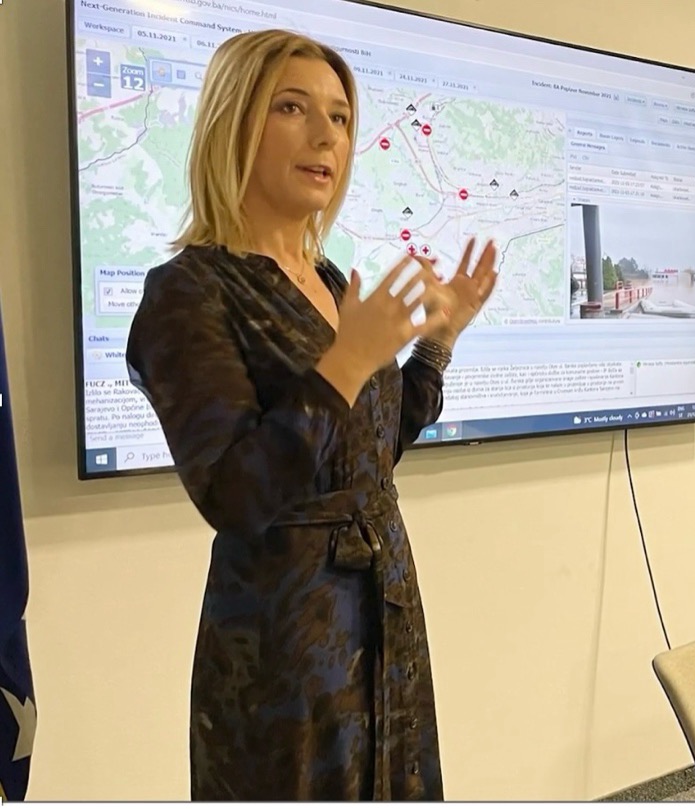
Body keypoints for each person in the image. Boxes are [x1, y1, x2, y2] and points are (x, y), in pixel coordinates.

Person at [124, 29, 497, 800]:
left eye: (341, 116)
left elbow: (371, 449)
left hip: (384, 615)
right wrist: (345, 364)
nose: (326, 134)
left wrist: (437, 345)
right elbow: (233, 492)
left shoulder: (331, 278)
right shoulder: (190, 291)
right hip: (285, 647)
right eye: (292, 107)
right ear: (234, 121)